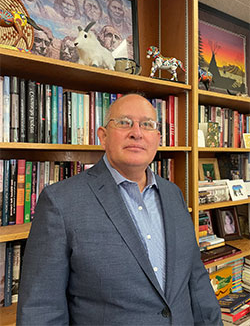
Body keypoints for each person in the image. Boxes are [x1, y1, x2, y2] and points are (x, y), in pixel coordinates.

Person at [16, 94, 222, 325]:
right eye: (124, 122)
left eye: (147, 124)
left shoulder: (173, 194)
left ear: (158, 138)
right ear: (103, 137)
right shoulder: (60, 202)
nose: (137, 132)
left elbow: (196, 280)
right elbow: (41, 309)